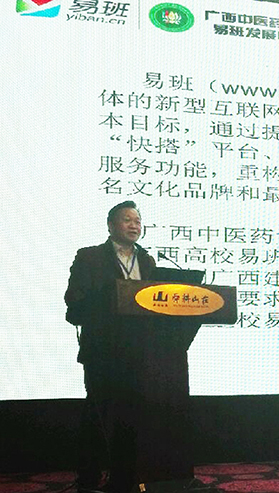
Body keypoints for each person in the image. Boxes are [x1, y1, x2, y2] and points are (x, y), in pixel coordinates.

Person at [65, 201, 156, 493]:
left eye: (138, 221)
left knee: (132, 417)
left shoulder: (148, 261)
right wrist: (110, 297)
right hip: (102, 350)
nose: (134, 225)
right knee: (98, 415)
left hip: (139, 352)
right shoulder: (89, 257)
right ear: (110, 225)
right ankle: (88, 478)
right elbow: (73, 299)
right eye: (127, 220)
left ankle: (124, 478)